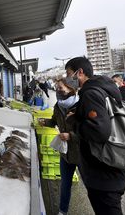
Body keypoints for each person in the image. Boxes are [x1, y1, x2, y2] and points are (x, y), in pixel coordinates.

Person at [65, 57, 125, 215]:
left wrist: (74, 121)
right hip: (114, 162)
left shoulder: (91, 93)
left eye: (68, 74)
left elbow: (99, 131)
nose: (68, 79)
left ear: (80, 73)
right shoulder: (105, 89)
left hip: (103, 172)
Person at [39, 78, 80, 215]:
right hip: (66, 153)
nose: (58, 90)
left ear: (71, 89)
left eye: (61, 88)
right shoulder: (58, 105)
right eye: (57, 88)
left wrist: (71, 136)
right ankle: (63, 211)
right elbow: (54, 121)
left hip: (81, 153)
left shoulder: (82, 104)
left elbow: (93, 130)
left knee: (92, 187)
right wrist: (46, 122)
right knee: (65, 184)